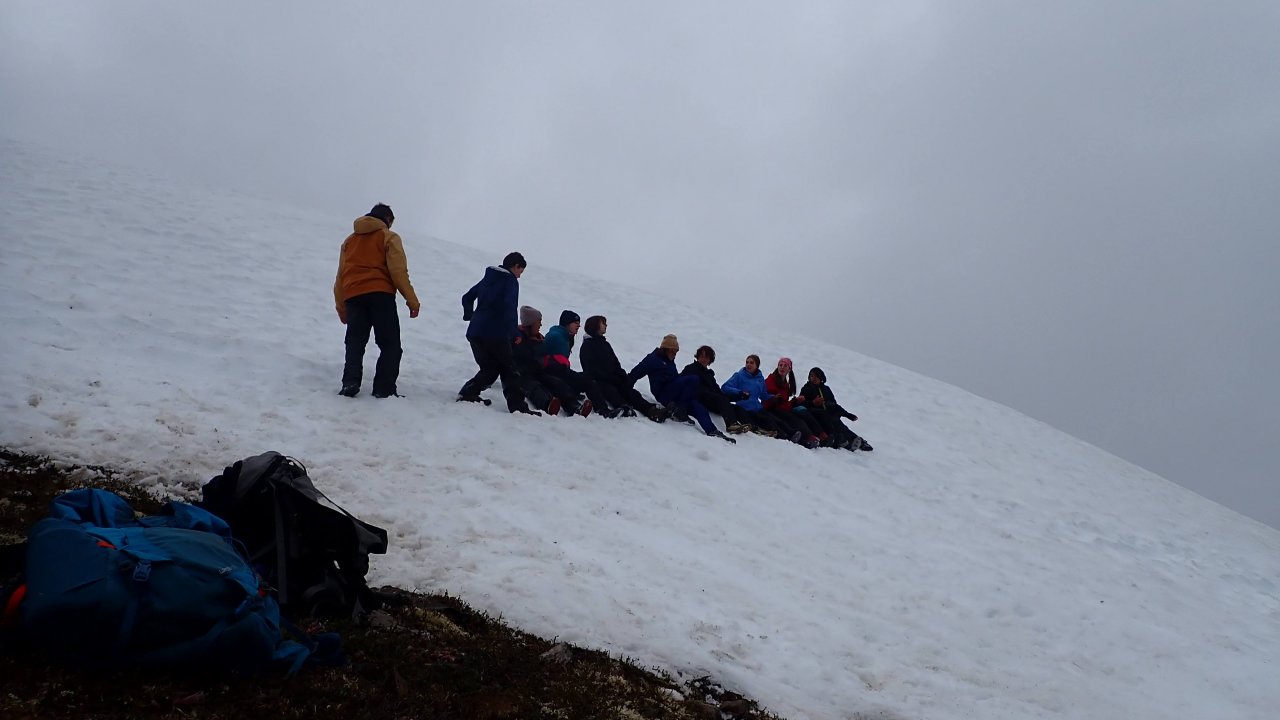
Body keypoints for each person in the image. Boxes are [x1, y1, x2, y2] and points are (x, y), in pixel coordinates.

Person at [334, 203, 420, 399]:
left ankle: (350, 383)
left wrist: (341, 307)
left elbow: (340, 276)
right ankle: (384, 389)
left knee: (355, 342)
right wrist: (412, 301)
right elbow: (398, 271)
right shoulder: (388, 236)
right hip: (380, 294)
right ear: (388, 219)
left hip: (353, 296)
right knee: (390, 344)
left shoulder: (350, 241)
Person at [457, 252, 537, 414]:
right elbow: (510, 308)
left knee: (490, 368)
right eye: (520, 271)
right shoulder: (510, 281)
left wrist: (469, 315)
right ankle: (518, 407)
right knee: (510, 370)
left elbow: (467, 297)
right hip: (495, 334)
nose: (519, 276)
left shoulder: (489, 278)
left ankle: (468, 393)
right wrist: (515, 333)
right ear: (515, 266)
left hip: (475, 332)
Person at [628, 335, 735, 444]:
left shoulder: (670, 360)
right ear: (666, 349)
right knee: (693, 379)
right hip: (663, 393)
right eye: (673, 351)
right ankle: (680, 411)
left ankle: (712, 431)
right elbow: (636, 373)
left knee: (698, 407)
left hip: (676, 395)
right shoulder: (653, 359)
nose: (675, 354)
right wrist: (625, 387)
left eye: (676, 352)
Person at [579, 316, 670, 422]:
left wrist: (622, 376)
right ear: (595, 326)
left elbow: (615, 363)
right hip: (601, 381)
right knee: (611, 391)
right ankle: (624, 408)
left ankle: (651, 410)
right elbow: (590, 369)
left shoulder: (605, 344)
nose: (606, 325)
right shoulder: (587, 346)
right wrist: (611, 377)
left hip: (613, 379)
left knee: (631, 392)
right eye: (603, 323)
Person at [510, 305, 585, 417]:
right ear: (530, 324)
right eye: (538, 322)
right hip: (524, 374)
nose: (540, 325)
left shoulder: (539, 339)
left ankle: (574, 407)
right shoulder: (518, 339)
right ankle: (548, 404)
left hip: (540, 371)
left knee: (557, 383)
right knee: (535, 388)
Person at [538, 310, 611, 417]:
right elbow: (544, 356)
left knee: (586, 379)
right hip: (553, 372)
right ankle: (601, 409)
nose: (578, 326)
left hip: (560, 371)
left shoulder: (566, 337)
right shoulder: (555, 336)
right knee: (585, 380)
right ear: (567, 323)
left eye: (579, 323)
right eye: (575, 323)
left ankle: (599, 407)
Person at [795, 367, 873, 451]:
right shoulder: (806, 388)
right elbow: (802, 404)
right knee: (830, 421)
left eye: (816, 376)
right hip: (815, 414)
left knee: (837, 422)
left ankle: (858, 441)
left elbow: (833, 403)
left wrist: (846, 414)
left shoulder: (826, 389)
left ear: (821, 378)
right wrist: (813, 403)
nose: (813, 378)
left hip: (827, 413)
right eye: (811, 376)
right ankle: (845, 441)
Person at [680, 346, 751, 434]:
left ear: (710, 360)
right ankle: (731, 425)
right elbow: (681, 381)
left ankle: (750, 427)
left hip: (712, 399)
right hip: (699, 397)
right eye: (701, 356)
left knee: (736, 408)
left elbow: (720, 393)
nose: (703, 359)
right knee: (722, 400)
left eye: (706, 357)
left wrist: (740, 396)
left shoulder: (709, 375)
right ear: (697, 357)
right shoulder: (691, 368)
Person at [763, 357, 825, 448]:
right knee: (792, 418)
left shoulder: (786, 384)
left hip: (781, 409)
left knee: (799, 416)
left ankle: (811, 437)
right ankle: (807, 438)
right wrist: (776, 398)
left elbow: (784, 403)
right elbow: (768, 397)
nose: (782, 367)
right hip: (771, 408)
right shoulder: (770, 379)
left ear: (789, 369)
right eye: (780, 365)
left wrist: (794, 401)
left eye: (785, 366)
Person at [719, 354, 781, 437]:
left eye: (751, 363)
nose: (748, 364)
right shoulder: (739, 376)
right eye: (747, 362)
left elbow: (763, 395)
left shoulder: (760, 379)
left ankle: (784, 435)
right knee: (753, 420)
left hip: (757, 407)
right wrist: (740, 392)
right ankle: (760, 430)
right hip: (744, 407)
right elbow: (725, 387)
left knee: (771, 420)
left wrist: (773, 397)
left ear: (757, 366)